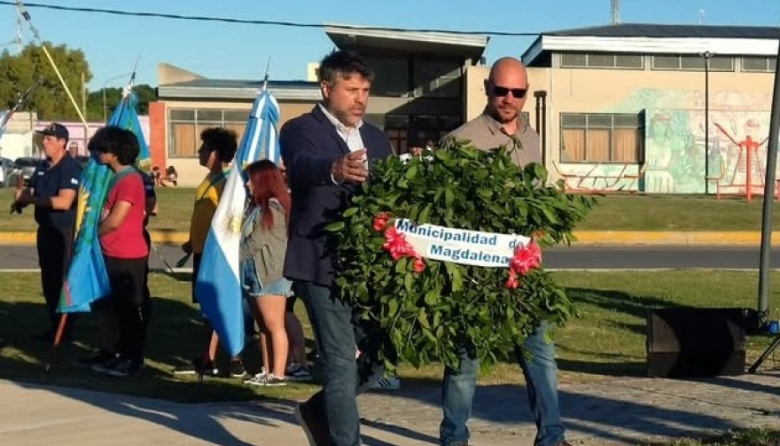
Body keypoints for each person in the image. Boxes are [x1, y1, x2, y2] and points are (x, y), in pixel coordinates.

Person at [441, 57, 570, 446]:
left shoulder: (533, 137)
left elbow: (538, 198)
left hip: (525, 273)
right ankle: (454, 438)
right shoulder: (461, 140)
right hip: (476, 276)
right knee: (465, 363)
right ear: (486, 89)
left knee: (541, 358)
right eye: (501, 91)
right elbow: (445, 213)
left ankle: (551, 437)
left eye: (518, 92)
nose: (509, 99)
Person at [280, 50, 393, 446]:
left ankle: (316, 409)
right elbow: (302, 165)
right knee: (342, 362)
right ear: (327, 88)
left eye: (365, 90)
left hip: (368, 268)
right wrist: (335, 169)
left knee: (379, 359)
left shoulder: (377, 137)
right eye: (351, 90)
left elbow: (392, 191)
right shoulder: (299, 129)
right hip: (319, 263)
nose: (360, 99)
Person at [175, 127, 246, 378]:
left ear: (215, 153)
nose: (199, 152)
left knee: (224, 305)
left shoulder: (229, 183)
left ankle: (235, 358)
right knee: (206, 308)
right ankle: (208, 357)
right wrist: (192, 241)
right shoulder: (208, 180)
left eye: (203, 148)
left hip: (219, 256)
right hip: (201, 252)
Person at [87, 126, 148, 378]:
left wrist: (92, 235)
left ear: (115, 151)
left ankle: (133, 358)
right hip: (112, 252)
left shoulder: (130, 180)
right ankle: (118, 353)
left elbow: (115, 220)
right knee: (115, 309)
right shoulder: (114, 178)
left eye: (103, 149)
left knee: (129, 310)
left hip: (127, 254)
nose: (98, 154)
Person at [12, 122, 82, 340]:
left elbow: (64, 201)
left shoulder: (70, 167)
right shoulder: (43, 166)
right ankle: (54, 326)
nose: (44, 142)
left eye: (49, 139)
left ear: (62, 142)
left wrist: (31, 199)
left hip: (65, 230)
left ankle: (66, 329)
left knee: (63, 279)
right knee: (49, 280)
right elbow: (32, 190)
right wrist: (21, 201)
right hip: (46, 229)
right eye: (43, 138)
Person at [240, 160, 293, 387]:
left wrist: (234, 256)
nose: (247, 185)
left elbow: (257, 240)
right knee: (262, 326)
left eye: (250, 180)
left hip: (271, 274)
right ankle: (267, 368)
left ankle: (279, 373)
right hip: (254, 273)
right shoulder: (255, 207)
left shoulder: (274, 208)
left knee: (274, 324)